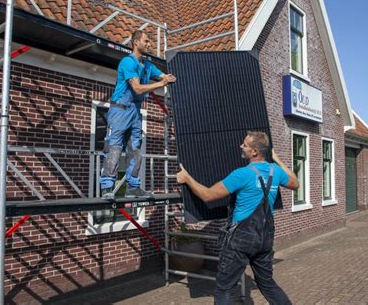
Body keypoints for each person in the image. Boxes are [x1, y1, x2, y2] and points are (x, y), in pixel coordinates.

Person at [177, 131, 299, 304]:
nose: (241, 146)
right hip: (264, 239)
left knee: (224, 288)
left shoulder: (242, 174)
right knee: (267, 284)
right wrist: (277, 159)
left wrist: (187, 178)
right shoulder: (276, 172)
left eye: (245, 145)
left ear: (254, 152)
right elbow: (295, 183)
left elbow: (208, 195)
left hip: (240, 240)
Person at [100, 30, 176, 200]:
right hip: (120, 109)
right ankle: (107, 187)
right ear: (135, 42)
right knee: (114, 148)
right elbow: (137, 88)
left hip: (135, 110)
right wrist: (162, 83)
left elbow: (164, 76)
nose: (149, 44)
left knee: (135, 150)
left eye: (149, 42)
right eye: (146, 41)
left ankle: (132, 187)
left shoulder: (147, 66)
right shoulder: (128, 62)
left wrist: (172, 77)